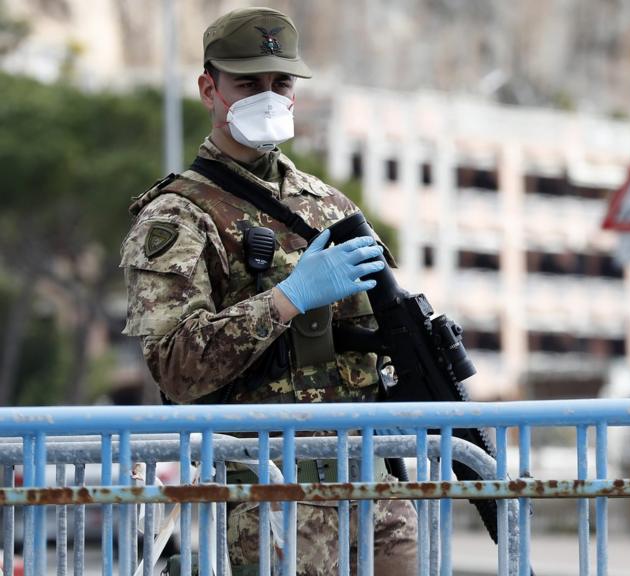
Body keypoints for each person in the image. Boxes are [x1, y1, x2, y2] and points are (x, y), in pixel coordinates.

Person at [120, 7, 416, 575]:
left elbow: (381, 337)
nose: (269, 96)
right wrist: (285, 300)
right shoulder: (179, 216)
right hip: (265, 498)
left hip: (370, 487)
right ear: (210, 89)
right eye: (248, 84)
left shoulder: (332, 208)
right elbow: (176, 366)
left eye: (280, 82)